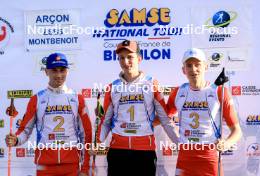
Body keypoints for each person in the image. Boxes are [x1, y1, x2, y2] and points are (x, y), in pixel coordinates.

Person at [96, 40, 179, 176]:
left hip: (144, 152)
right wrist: (96, 143)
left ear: (139, 58)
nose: (126, 61)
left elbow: (164, 119)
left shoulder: (151, 83)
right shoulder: (112, 87)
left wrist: (180, 143)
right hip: (118, 151)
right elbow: (106, 121)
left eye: (130, 57)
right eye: (122, 58)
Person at [5, 53, 92, 176]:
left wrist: (85, 168)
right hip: (45, 166)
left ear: (67, 71)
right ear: (46, 72)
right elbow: (25, 130)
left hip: (71, 165)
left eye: (62, 70)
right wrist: (16, 140)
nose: (59, 75)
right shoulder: (37, 99)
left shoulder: (77, 98)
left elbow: (86, 135)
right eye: (54, 71)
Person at [167, 48, 242, 176]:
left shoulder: (219, 91)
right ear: (183, 70)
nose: (193, 69)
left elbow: (237, 131)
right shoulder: (178, 92)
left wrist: (226, 143)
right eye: (189, 65)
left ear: (206, 67)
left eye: (198, 65)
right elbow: (164, 118)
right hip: (185, 157)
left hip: (210, 158)